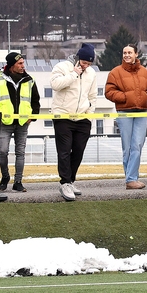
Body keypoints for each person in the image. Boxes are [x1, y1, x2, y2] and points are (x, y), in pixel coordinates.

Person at [0, 51, 40, 193]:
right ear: (11, 66)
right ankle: (5, 176)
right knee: (2, 151)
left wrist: (32, 117)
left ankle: (18, 181)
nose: (23, 66)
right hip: (4, 122)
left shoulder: (29, 80)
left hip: (22, 122)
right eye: (20, 63)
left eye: (23, 63)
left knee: (20, 152)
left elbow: (36, 101)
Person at [50, 43, 98, 201]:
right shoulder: (63, 67)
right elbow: (55, 85)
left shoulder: (91, 73)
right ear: (78, 59)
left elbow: (93, 96)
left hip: (82, 118)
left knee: (78, 151)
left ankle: (70, 180)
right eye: (84, 63)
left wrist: (89, 114)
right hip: (63, 116)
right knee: (64, 151)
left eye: (89, 64)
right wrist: (74, 74)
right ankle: (64, 183)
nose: (86, 66)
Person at [104, 43, 147, 190]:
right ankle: (131, 179)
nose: (126, 55)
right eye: (124, 53)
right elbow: (109, 92)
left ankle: (131, 179)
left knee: (137, 145)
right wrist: (126, 97)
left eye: (129, 52)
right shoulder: (115, 72)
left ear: (136, 54)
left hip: (142, 112)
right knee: (127, 148)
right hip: (124, 112)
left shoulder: (145, 72)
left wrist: (145, 96)